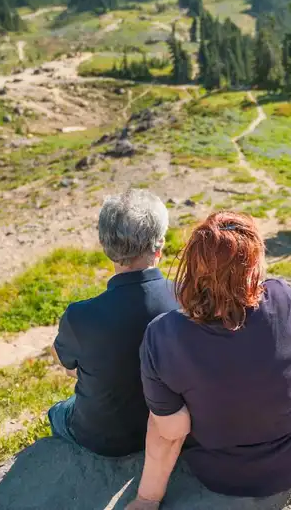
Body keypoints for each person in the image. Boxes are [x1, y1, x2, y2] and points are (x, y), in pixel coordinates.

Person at [128, 211, 291, 509]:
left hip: (228, 475)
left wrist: (146, 500)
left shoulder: (163, 336)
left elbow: (171, 433)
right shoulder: (283, 297)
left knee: (162, 418)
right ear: (253, 264)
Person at [48, 189, 179, 457]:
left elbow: (64, 361)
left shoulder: (80, 316)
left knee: (56, 412)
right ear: (160, 245)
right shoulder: (185, 298)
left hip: (104, 441)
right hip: (170, 429)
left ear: (106, 247)